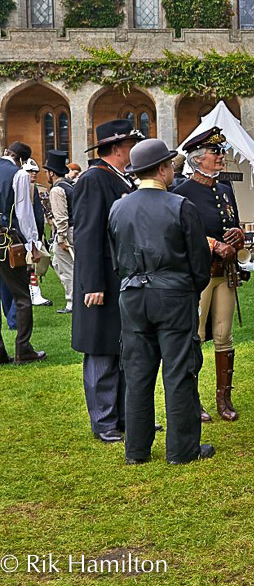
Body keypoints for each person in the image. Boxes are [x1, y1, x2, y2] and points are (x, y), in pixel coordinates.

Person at [108, 139, 214, 465]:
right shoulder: (180, 206)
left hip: (132, 296)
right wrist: (191, 290)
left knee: (138, 374)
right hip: (173, 295)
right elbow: (199, 264)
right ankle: (182, 451)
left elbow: (117, 260)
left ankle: (136, 451)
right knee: (179, 372)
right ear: (164, 169)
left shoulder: (118, 207)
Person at [72, 120, 144, 442]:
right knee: (102, 351)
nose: (134, 150)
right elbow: (87, 235)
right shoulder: (93, 180)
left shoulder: (120, 179)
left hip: (122, 279)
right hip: (102, 282)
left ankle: (127, 417)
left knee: (125, 349)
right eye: (129, 144)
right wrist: (93, 285)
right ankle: (104, 422)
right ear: (116, 149)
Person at [174, 127, 244, 422]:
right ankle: (193, 401)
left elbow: (235, 223)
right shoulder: (181, 193)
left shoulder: (225, 190)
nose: (222, 157)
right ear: (198, 158)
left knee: (223, 336)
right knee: (195, 337)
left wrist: (238, 236)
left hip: (225, 274)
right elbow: (178, 234)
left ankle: (224, 399)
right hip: (199, 275)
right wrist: (213, 244)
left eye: (221, 151)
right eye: (216, 153)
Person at [0, 141, 46, 365]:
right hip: (7, 242)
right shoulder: (18, 174)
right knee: (22, 297)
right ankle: (23, 349)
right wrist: (33, 244)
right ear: (23, 160)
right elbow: (24, 212)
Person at [45, 150, 75, 314]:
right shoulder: (69, 185)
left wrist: (61, 238)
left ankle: (72, 302)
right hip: (75, 229)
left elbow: (61, 217)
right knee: (60, 263)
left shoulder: (57, 190)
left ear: (51, 173)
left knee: (65, 268)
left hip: (67, 231)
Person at [22, 159, 52, 307]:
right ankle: (33, 293)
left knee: (33, 265)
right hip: (23, 232)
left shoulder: (38, 188)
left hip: (33, 232)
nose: (33, 173)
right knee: (28, 265)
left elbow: (44, 212)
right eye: (30, 171)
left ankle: (33, 292)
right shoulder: (22, 187)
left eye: (35, 171)